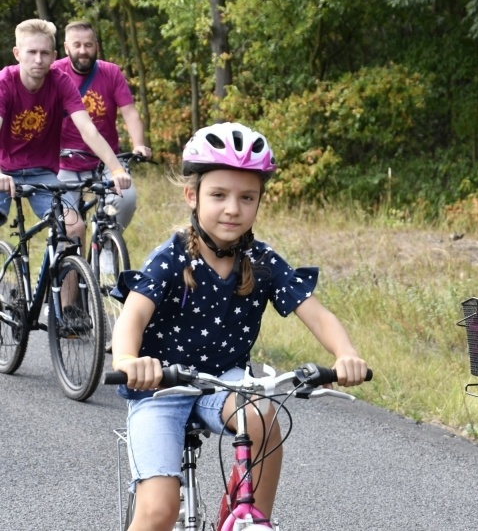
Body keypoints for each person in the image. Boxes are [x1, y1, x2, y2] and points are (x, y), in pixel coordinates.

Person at [110, 122, 369, 531]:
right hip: (162, 385)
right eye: (219, 195)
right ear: (192, 196)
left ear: (259, 201)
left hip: (224, 382)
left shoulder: (262, 261)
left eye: (247, 198)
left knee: (263, 416)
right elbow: (134, 316)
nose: (233, 208)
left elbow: (315, 312)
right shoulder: (172, 257)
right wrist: (128, 360)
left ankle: (250, 517)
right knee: (158, 509)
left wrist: (345, 354)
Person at [0, 19, 130, 318]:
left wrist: (115, 168)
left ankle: (68, 310)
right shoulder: (5, 83)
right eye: (31, 52)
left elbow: (88, 129)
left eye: (45, 53)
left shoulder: (60, 81)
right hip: (2, 169)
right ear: (17, 53)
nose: (39, 60)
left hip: (42, 171)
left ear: (54, 53)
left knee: (74, 228)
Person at [53, 20, 150, 234]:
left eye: (88, 45)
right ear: (66, 47)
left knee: (126, 198)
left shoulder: (111, 72)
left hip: (105, 159)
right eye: (77, 45)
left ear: (96, 46)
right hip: (63, 161)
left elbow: (130, 112)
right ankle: (74, 264)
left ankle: (106, 243)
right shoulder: (54, 74)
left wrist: (139, 144)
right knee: (70, 231)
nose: (83, 51)